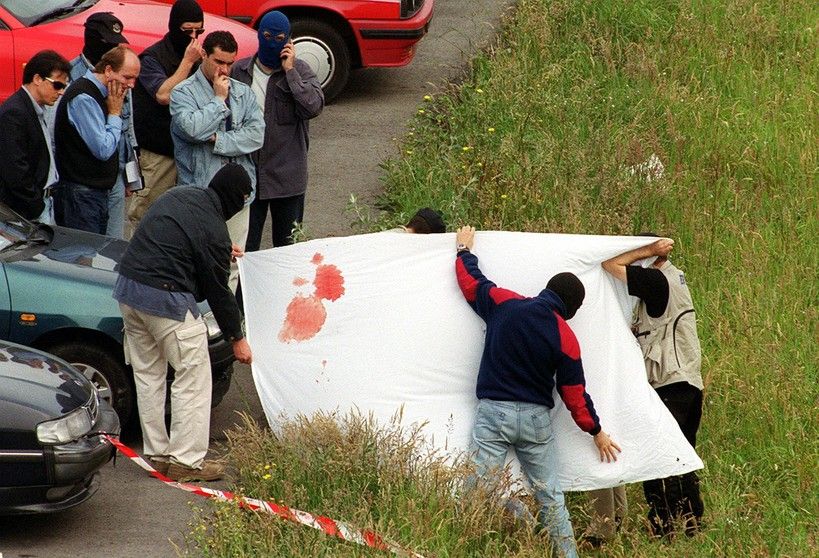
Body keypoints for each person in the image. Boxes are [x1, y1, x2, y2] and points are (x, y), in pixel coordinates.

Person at [455, 225, 621, 558]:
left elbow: (472, 283)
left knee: (477, 491)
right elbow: (575, 398)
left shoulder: (506, 304)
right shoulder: (567, 338)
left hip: (494, 414)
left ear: (547, 290)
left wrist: (463, 250)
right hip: (535, 422)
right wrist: (597, 432)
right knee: (550, 498)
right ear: (571, 309)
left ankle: (461, 545)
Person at [113, 163, 253, 483]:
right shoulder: (215, 232)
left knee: (150, 374)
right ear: (235, 198)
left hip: (128, 290)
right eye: (243, 200)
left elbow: (180, 241)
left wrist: (216, 252)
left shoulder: (181, 194)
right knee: (194, 373)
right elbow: (217, 294)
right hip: (164, 298)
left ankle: (158, 455)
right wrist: (237, 338)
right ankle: (187, 461)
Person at [601, 236, 704, 537]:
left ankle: (663, 526)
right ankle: (691, 525)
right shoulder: (674, 279)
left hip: (670, 384)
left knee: (659, 457)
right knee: (681, 455)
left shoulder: (656, 279)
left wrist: (646, 250)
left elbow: (611, 265)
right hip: (688, 382)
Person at [170, 30, 264, 291]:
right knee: (199, 260)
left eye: (230, 63)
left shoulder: (244, 93)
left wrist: (218, 140)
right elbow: (192, 129)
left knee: (232, 262)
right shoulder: (183, 93)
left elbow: (257, 136)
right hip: (200, 194)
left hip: (238, 196)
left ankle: (222, 325)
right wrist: (218, 101)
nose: (224, 69)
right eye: (218, 62)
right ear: (204, 57)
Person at [231, 10, 324, 250]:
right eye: (268, 36)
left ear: (289, 42)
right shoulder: (240, 72)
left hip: (287, 179)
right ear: (260, 36)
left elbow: (313, 107)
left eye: (279, 38)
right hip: (250, 178)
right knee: (245, 249)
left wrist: (291, 72)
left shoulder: (301, 72)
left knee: (288, 250)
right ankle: (243, 290)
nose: (272, 43)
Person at [129, 0, 205, 231]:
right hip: (158, 154)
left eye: (199, 31)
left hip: (189, 151)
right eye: (187, 30)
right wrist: (188, 62)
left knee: (183, 219)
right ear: (174, 27)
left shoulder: (198, 57)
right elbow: (163, 94)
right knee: (147, 216)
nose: (193, 37)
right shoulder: (152, 58)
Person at [53, 45, 140, 235]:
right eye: (127, 77)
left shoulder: (106, 95)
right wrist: (115, 113)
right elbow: (103, 149)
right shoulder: (84, 97)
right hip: (81, 196)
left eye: (134, 78)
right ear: (108, 70)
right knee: (81, 260)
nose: (131, 85)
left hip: (95, 194)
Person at [0, 50, 70, 222]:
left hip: (43, 202)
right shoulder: (14, 113)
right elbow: (16, 170)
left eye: (64, 87)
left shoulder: (36, 109)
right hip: (28, 211)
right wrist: (36, 205)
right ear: (38, 79)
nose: (61, 92)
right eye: (58, 85)